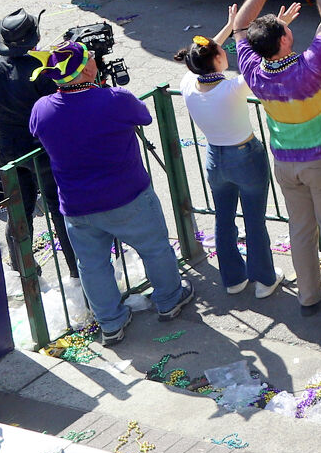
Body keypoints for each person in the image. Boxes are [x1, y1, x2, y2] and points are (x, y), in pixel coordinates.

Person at [27, 33, 196, 342]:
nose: (95, 59)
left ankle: (110, 322)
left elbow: (39, 129)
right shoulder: (114, 99)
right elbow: (143, 116)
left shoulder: (42, 109)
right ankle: (169, 300)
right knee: (154, 248)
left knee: (92, 265)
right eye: (89, 56)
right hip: (128, 197)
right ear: (85, 70)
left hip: (78, 207)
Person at [232, 0, 321, 312]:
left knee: (301, 230)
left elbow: (240, 25)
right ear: (285, 39)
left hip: (285, 163)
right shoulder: (311, 65)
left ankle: (308, 295)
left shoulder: (253, 69)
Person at [176, 34, 284, 298]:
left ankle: (234, 279)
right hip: (245, 155)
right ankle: (264, 279)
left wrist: (227, 29)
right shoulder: (233, 87)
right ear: (216, 59)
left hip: (215, 158)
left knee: (223, 219)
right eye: (221, 50)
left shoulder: (188, 83)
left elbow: (198, 56)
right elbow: (263, 64)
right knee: (254, 220)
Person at [0, 10, 73, 271]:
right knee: (58, 209)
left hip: (9, 152)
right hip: (43, 151)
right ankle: (77, 270)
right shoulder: (42, 69)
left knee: (20, 210)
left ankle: (23, 269)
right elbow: (60, 106)